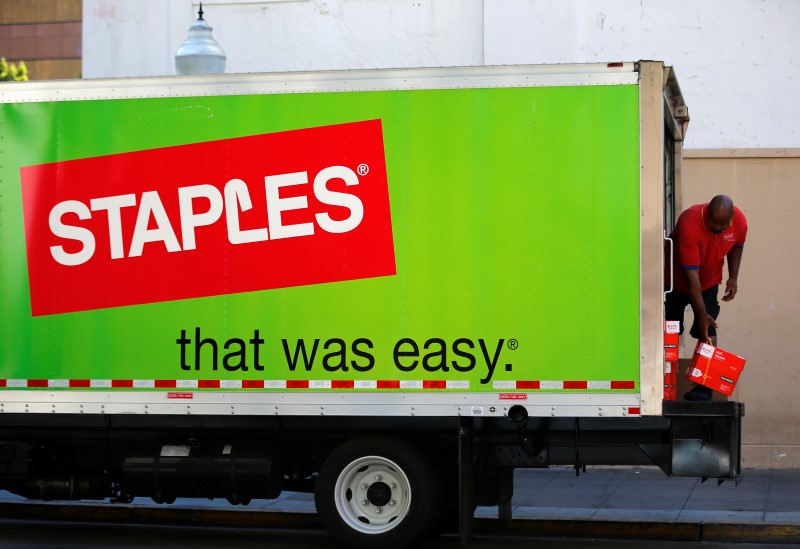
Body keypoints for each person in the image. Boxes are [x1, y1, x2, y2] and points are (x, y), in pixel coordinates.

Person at [664, 195, 747, 401]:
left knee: (708, 329)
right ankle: (664, 384)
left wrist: (733, 278)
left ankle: (703, 389)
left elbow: (737, 246)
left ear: (732, 216)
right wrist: (701, 315)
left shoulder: (740, 221)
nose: (718, 228)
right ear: (707, 212)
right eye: (714, 223)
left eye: (723, 224)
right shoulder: (689, 222)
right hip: (676, 280)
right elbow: (692, 279)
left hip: (709, 281)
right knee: (672, 329)